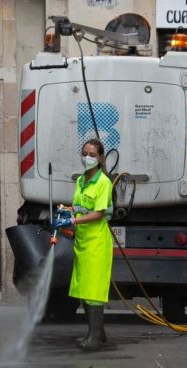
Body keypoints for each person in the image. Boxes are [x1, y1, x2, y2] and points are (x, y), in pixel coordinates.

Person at [54, 138, 114, 351]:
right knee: (84, 288)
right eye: (84, 153)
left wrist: (73, 221)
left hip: (97, 241)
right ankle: (99, 333)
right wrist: (67, 211)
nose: (87, 157)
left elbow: (98, 213)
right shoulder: (81, 181)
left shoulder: (103, 183)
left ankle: (94, 338)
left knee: (93, 290)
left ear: (100, 158)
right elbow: (79, 206)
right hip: (82, 241)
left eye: (92, 154)